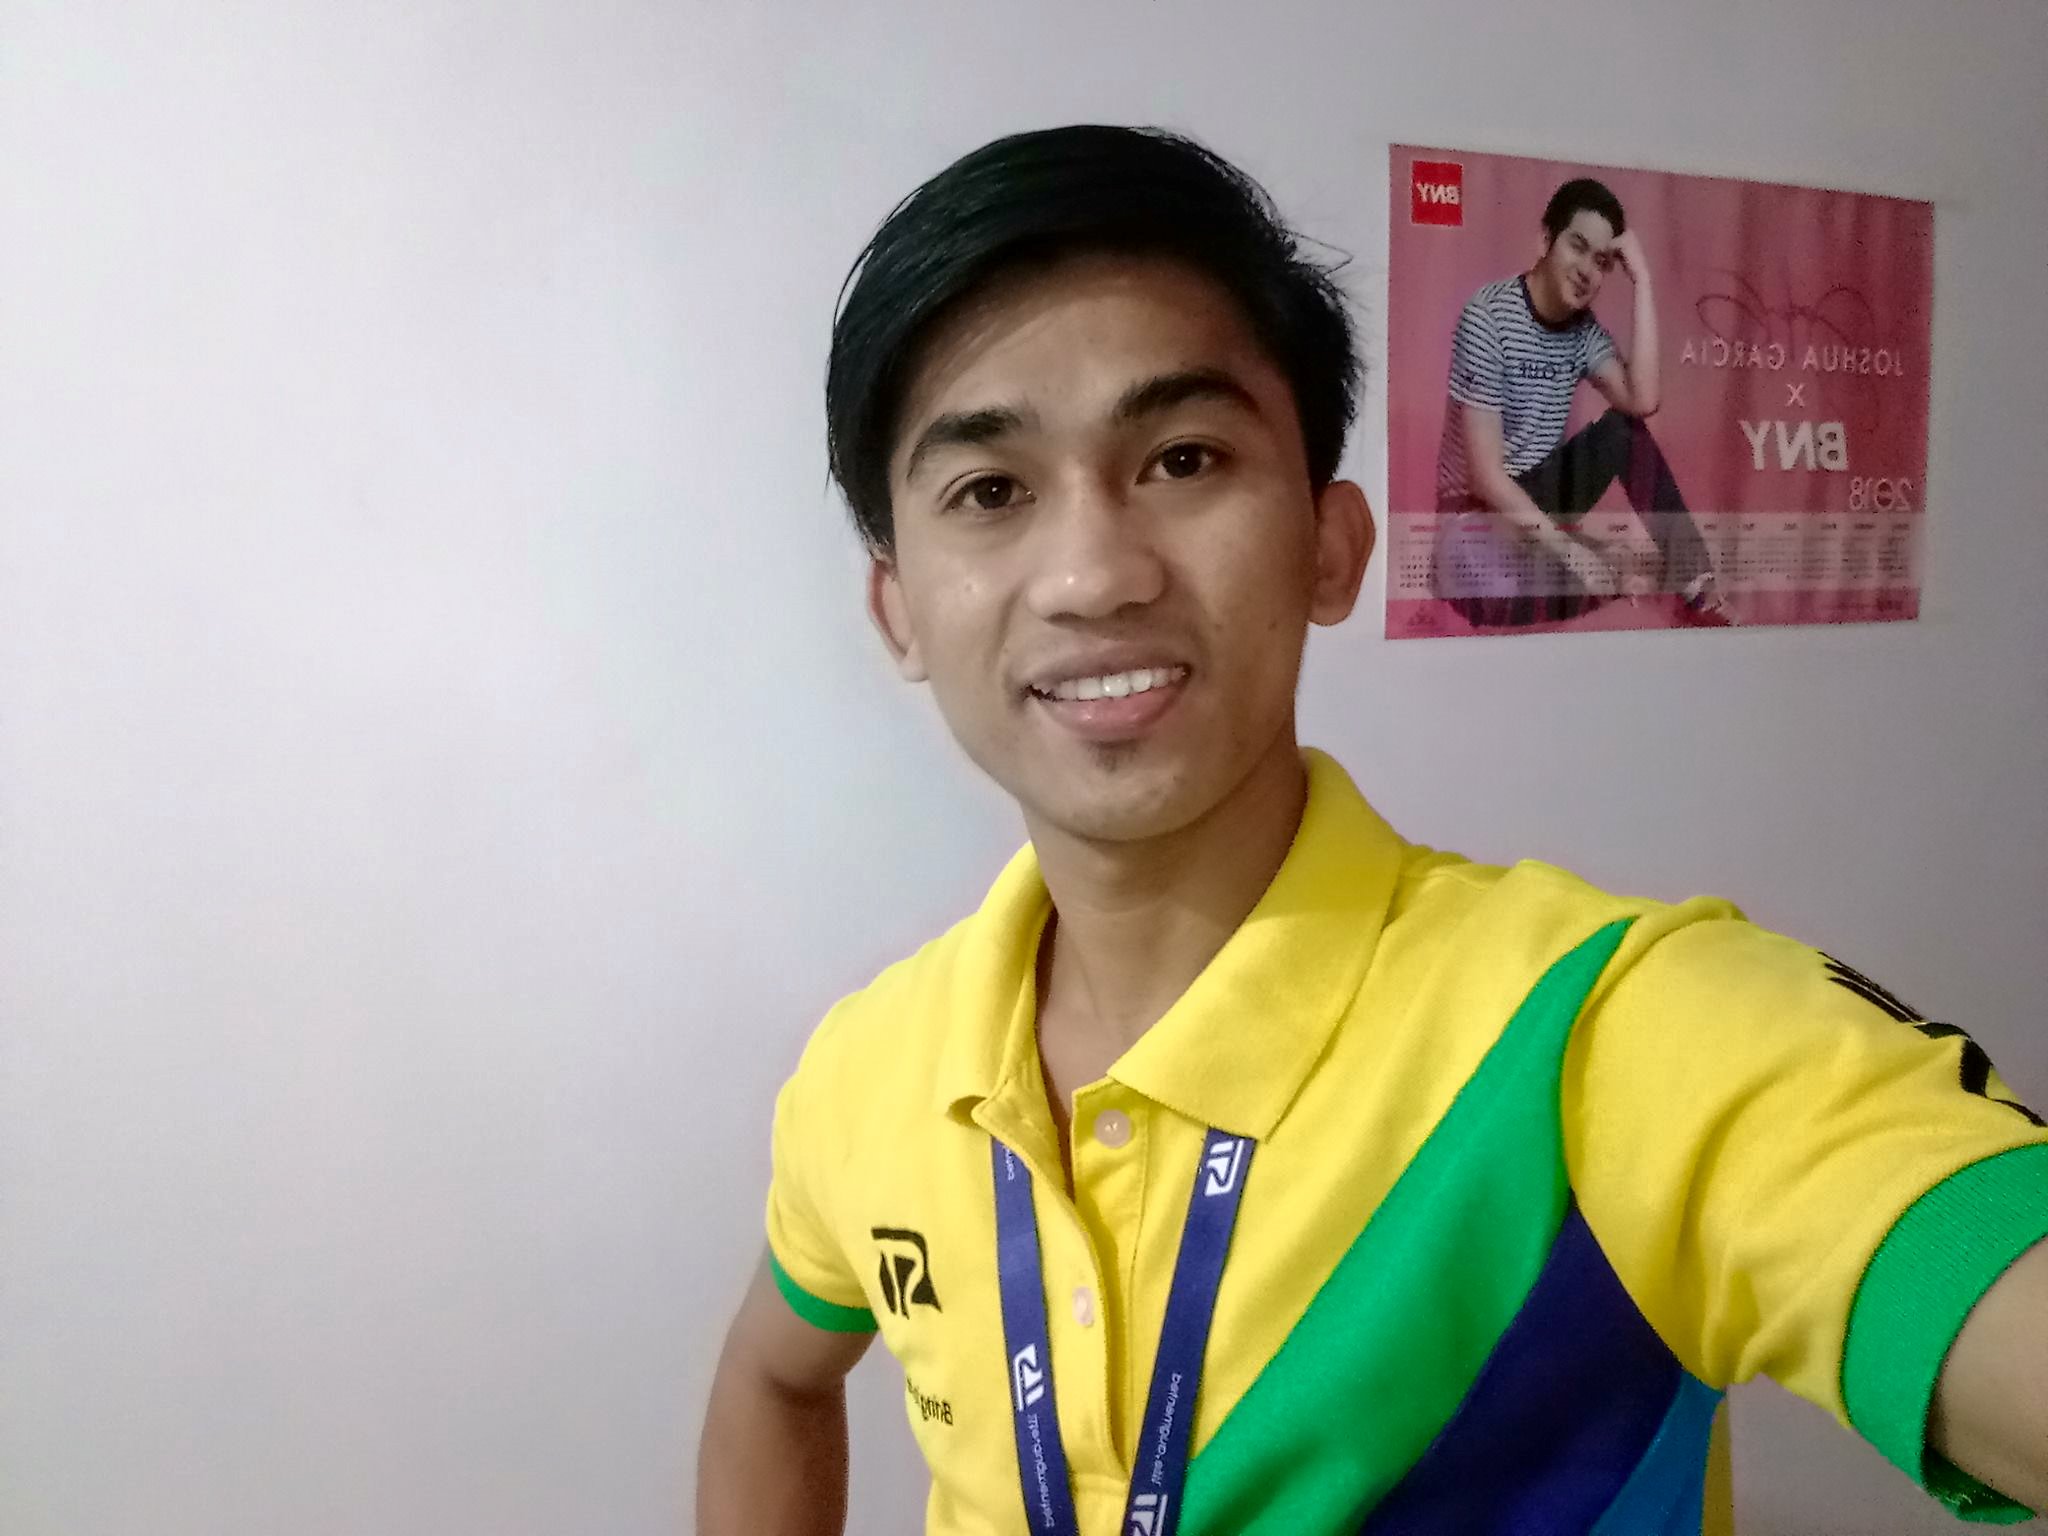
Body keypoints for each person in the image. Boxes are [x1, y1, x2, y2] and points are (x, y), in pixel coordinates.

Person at [696, 126, 2048, 1536]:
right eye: (990, 492)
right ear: (900, 612)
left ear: (1330, 547)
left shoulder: (1596, 1040)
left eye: (1181, 458)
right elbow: (773, 1376)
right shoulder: (866, 1071)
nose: (1093, 574)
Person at [1432, 177, 1734, 630]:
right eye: (1577, 246)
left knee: (1622, 431)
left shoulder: (1583, 331)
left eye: (1601, 261)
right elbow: (1486, 477)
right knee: (1507, 589)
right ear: (1545, 241)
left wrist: (1643, 282)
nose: (1587, 270)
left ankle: (1699, 586)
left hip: (1535, 500)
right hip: (1477, 513)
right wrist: (1572, 552)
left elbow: (1643, 399)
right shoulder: (1487, 316)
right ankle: (1581, 563)